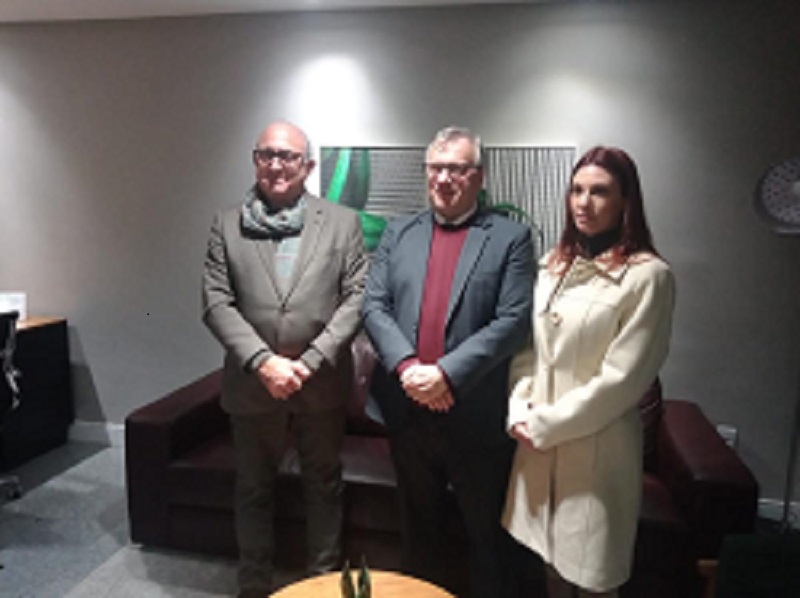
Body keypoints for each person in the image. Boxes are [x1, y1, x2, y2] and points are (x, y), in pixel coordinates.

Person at [362, 126, 535, 597]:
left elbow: (514, 320)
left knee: (487, 540)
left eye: (456, 169)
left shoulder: (511, 238)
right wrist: (407, 369)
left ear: (479, 176)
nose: (443, 178)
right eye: (436, 168)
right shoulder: (399, 232)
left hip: (475, 417)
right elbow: (373, 306)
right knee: (419, 535)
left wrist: (446, 375)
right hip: (408, 413)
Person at [201, 120, 368, 598]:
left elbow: (357, 299)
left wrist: (310, 361)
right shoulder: (226, 224)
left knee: (323, 486)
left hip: (321, 383)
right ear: (255, 160)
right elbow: (216, 302)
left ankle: (320, 585)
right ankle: (254, 586)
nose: (276, 165)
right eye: (266, 154)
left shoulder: (343, 223)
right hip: (253, 385)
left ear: (308, 166)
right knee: (253, 490)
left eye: (288, 156)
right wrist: (264, 362)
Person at [502, 146, 676, 598]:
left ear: (625, 201)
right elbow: (529, 352)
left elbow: (624, 379)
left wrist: (546, 424)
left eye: (599, 192)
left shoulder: (648, 277)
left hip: (596, 452)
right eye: (577, 190)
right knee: (550, 571)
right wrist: (519, 408)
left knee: (593, 576)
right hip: (537, 447)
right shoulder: (552, 266)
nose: (584, 202)